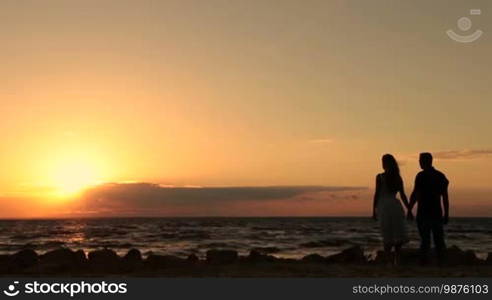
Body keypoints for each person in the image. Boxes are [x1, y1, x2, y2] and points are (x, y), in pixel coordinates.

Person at [408, 152, 449, 264]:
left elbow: (415, 194)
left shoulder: (421, 176)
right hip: (436, 212)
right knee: (438, 240)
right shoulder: (441, 176)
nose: (419, 162)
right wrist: (446, 214)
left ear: (424, 161)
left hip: (424, 212)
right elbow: (444, 197)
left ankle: (425, 262)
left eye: (420, 160)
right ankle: (441, 262)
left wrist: (409, 209)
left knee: (425, 240)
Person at [372, 154, 410, 265]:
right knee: (397, 233)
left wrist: (373, 210)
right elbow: (403, 195)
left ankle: (389, 259)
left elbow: (377, 194)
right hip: (395, 206)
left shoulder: (380, 177)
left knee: (387, 233)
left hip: (384, 206)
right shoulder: (397, 178)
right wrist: (409, 209)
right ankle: (396, 260)